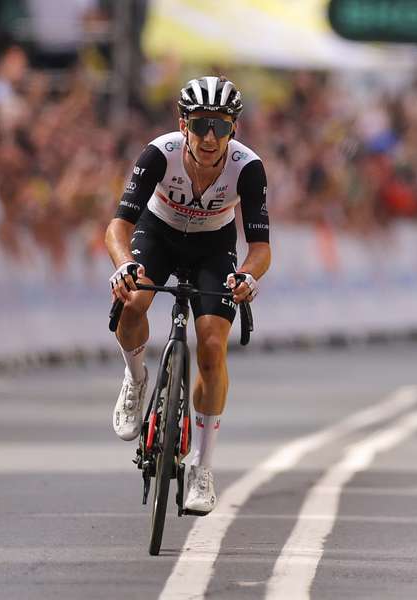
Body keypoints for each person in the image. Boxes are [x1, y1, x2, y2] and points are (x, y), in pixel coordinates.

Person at [105, 76, 271, 515]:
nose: (210, 137)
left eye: (220, 125)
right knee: (134, 301)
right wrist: (124, 265)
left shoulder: (248, 167)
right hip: (157, 235)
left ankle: (202, 465)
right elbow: (118, 225)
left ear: (233, 128)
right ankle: (136, 378)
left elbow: (260, 248)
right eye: (201, 125)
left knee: (213, 346)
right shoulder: (159, 154)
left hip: (213, 248)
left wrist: (248, 277)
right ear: (184, 125)